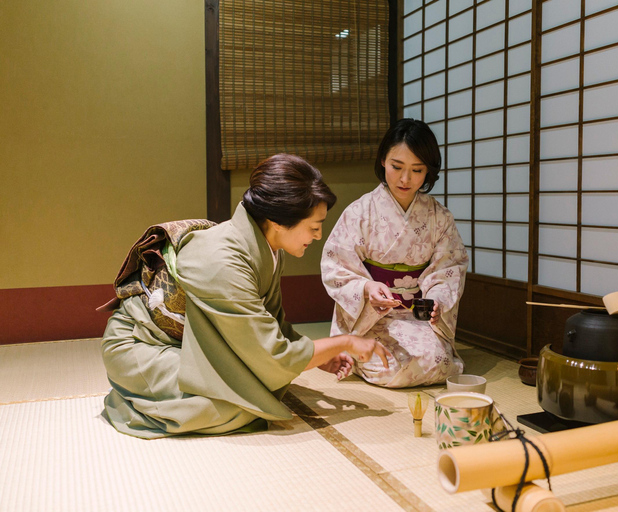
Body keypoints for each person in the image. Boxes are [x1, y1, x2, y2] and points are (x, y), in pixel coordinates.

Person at [100, 154, 390, 439]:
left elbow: (271, 327)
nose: (318, 236)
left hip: (188, 345)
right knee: (239, 406)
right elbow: (271, 357)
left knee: (257, 392)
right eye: (314, 227)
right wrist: (346, 341)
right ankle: (130, 401)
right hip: (142, 346)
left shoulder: (269, 247)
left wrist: (318, 355)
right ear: (278, 221)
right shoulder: (224, 261)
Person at [321, 119, 469, 388]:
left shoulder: (439, 217)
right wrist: (366, 287)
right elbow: (335, 265)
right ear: (382, 161)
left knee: (437, 361)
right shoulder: (360, 212)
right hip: (371, 316)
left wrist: (436, 301)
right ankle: (354, 350)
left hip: (415, 315)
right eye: (396, 167)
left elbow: (450, 267)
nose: (405, 179)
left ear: (429, 171)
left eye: (417, 170)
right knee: (390, 365)